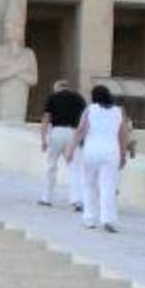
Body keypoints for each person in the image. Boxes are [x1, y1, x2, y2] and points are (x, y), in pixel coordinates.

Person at [69, 82, 128, 231]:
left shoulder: (90, 110)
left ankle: (89, 219)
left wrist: (71, 149)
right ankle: (108, 219)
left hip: (91, 151)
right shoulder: (119, 111)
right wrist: (123, 155)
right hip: (111, 152)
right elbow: (122, 135)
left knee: (89, 185)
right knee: (108, 186)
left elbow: (80, 130)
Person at [38, 78, 85, 209]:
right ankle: (76, 199)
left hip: (57, 132)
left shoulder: (53, 97)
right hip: (73, 133)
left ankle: (46, 197)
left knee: (51, 165)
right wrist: (82, 139)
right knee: (74, 167)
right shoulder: (79, 98)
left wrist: (43, 139)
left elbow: (46, 118)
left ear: (56, 88)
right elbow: (84, 120)